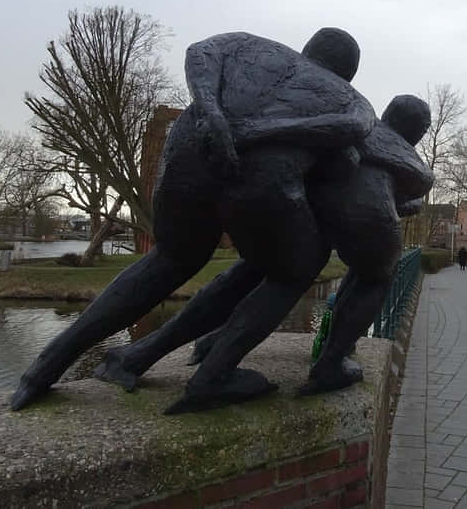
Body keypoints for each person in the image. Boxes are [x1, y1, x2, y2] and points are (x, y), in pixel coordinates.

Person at [11, 28, 376, 411]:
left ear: (307, 48)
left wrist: (211, 111)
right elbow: (350, 134)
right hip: (263, 178)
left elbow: (201, 52)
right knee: (295, 270)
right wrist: (260, 136)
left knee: (169, 259)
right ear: (347, 73)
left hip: (190, 148)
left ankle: (42, 369)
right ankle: (212, 378)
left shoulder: (249, 44)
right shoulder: (351, 100)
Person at [92, 94, 433, 412]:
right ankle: (330, 363)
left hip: (306, 208)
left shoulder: (358, 124)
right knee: (376, 275)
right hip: (362, 220)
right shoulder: (408, 158)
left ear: (387, 112)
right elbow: (408, 193)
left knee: (251, 270)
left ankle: (148, 353)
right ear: (418, 133)